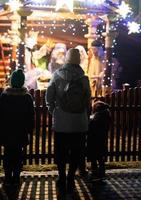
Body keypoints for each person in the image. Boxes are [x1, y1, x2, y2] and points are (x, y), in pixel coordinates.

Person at [46, 48, 91, 193]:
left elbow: (49, 97)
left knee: (61, 151)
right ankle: (71, 177)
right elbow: (87, 101)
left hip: (61, 122)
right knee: (76, 152)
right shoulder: (84, 79)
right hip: (79, 123)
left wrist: (54, 111)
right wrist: (85, 116)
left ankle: (61, 177)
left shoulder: (57, 76)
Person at [0, 69, 35, 187]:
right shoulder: (26, 97)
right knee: (18, 154)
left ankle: (8, 176)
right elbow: (30, 116)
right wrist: (29, 129)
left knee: (7, 154)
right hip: (20, 132)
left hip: (7, 132)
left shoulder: (5, 96)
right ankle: (16, 176)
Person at [87, 101, 111, 180]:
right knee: (101, 158)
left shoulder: (95, 118)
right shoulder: (107, 116)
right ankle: (102, 172)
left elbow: (90, 129)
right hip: (102, 141)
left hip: (94, 141)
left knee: (93, 158)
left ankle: (94, 173)